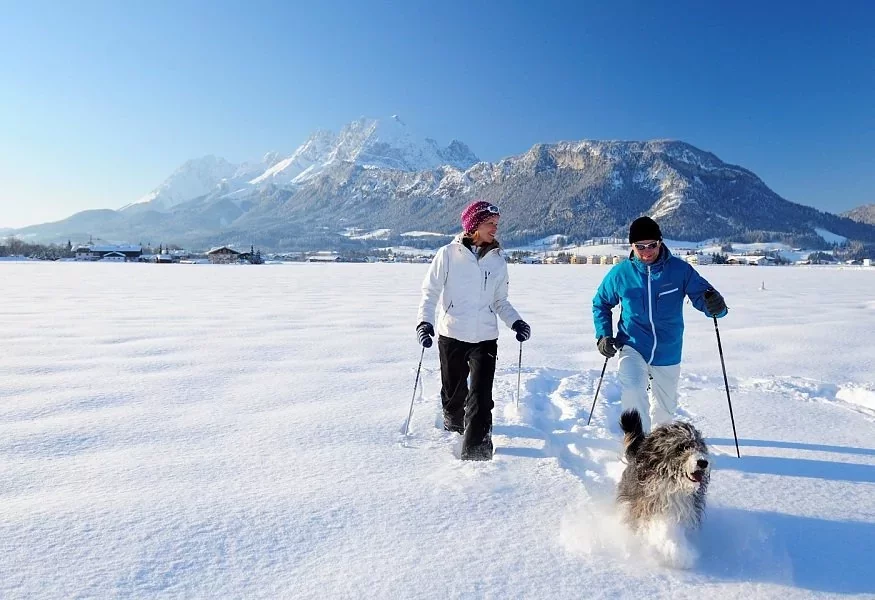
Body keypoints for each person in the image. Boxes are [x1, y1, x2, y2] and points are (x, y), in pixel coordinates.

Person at [416, 200, 531, 461]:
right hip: (452, 334)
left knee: (481, 398)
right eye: (490, 224)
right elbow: (430, 293)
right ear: (474, 226)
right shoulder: (447, 254)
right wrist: (425, 323)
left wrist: (516, 322)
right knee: (454, 395)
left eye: (496, 224)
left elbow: (500, 301)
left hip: (485, 338)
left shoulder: (498, 261)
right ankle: (454, 424)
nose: (495, 229)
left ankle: (477, 453)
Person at [592, 216, 727, 433]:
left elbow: (705, 297)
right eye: (640, 246)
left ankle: (659, 448)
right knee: (634, 392)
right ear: (632, 246)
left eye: (652, 245)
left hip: (668, 350)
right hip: (632, 345)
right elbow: (601, 303)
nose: (646, 251)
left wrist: (716, 306)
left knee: (665, 412)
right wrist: (603, 335)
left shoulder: (680, 271)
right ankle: (636, 446)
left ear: (660, 242)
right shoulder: (621, 273)